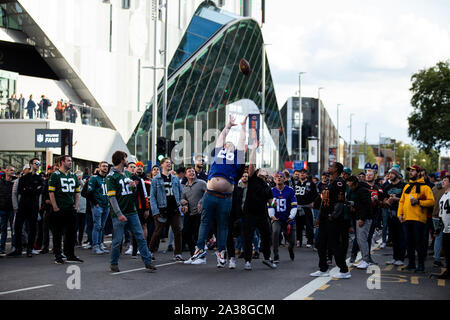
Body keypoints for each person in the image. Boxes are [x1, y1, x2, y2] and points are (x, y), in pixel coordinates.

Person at [186, 114, 247, 267]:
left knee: (223, 224)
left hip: (226, 196)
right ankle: (199, 248)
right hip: (210, 194)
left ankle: (221, 250)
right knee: (205, 222)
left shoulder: (237, 156)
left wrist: (243, 127)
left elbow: (241, 141)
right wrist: (228, 126)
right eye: (227, 144)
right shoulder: (218, 153)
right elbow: (221, 138)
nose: (229, 145)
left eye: (231, 145)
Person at [106, 151, 156, 272]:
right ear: (121, 159)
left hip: (132, 211)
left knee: (140, 236)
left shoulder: (127, 173)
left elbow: (130, 192)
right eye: (125, 158)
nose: (127, 160)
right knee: (117, 240)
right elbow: (112, 197)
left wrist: (133, 187)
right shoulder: (111, 176)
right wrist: (119, 214)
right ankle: (113, 263)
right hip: (120, 213)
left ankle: (147, 261)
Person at [240, 142, 277, 270]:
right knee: (248, 236)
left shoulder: (268, 187)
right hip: (249, 213)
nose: (262, 170)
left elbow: (270, 201)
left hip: (262, 214)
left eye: (265, 171)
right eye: (260, 169)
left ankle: (267, 258)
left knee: (267, 235)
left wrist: (273, 203)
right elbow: (251, 164)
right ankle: (247, 261)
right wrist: (254, 149)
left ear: (267, 176)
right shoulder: (252, 179)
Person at [310, 162, 351, 279]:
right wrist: (319, 217)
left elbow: (339, 202)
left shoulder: (339, 183)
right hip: (324, 218)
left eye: (331, 166)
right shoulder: (330, 183)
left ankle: (344, 270)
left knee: (334, 244)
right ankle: (323, 269)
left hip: (332, 219)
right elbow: (324, 202)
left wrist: (333, 216)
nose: (329, 167)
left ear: (337, 169)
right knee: (320, 243)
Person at [398, 164, 435, 273]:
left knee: (420, 243)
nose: (411, 173)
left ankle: (421, 265)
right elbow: (402, 201)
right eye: (410, 171)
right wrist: (399, 214)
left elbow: (431, 202)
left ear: (419, 173)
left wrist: (419, 201)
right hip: (406, 218)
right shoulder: (407, 186)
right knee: (409, 243)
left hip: (419, 219)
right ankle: (411, 264)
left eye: (413, 171)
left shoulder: (425, 187)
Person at [48, 155, 83, 264]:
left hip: (70, 208)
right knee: (58, 233)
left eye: (71, 161)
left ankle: (70, 254)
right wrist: (55, 206)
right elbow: (51, 192)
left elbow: (77, 192)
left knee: (71, 233)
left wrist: (76, 205)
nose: (70, 163)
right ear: (62, 162)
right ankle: (58, 255)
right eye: (68, 161)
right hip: (59, 209)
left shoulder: (73, 175)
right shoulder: (55, 175)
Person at [149, 157, 184, 261]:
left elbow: (181, 192)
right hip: (162, 209)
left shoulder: (175, 178)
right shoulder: (156, 179)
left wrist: (181, 204)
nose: (169, 164)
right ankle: (150, 251)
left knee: (177, 231)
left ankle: (178, 253)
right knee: (158, 231)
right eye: (167, 162)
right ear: (162, 165)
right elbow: (153, 197)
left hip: (174, 209)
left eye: (170, 163)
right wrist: (155, 211)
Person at [7, 158, 43, 258]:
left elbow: (39, 192)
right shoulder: (23, 178)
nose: (37, 165)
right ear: (31, 164)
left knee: (32, 228)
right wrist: (32, 190)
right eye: (36, 163)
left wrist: (29, 189)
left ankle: (29, 249)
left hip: (34, 207)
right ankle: (18, 248)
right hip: (22, 206)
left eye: (39, 164)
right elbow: (21, 191)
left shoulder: (39, 178)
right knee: (18, 228)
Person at [346, 175, 373, 269]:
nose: (350, 187)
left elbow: (366, 206)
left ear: (356, 184)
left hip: (364, 218)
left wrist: (362, 218)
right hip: (359, 216)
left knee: (362, 240)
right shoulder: (357, 190)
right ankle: (364, 259)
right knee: (360, 240)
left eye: (351, 185)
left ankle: (366, 260)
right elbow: (359, 204)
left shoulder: (363, 191)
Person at [270, 171, 297, 263]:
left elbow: (294, 205)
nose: (279, 178)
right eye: (277, 177)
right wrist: (272, 215)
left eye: (281, 176)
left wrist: (291, 215)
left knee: (292, 241)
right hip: (277, 218)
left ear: (285, 179)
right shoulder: (272, 191)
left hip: (289, 218)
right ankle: (276, 255)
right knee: (275, 231)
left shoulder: (290, 190)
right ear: (274, 179)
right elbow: (270, 205)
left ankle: (290, 249)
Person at [383, 166, 407, 266]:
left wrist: (396, 199)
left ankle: (400, 258)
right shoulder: (386, 186)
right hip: (390, 214)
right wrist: (386, 201)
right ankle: (395, 257)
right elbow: (383, 198)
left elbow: (406, 199)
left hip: (401, 214)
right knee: (393, 237)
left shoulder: (404, 185)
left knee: (401, 236)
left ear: (397, 174)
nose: (390, 175)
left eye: (392, 173)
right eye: (389, 174)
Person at [181, 166, 207, 257]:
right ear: (185, 174)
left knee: (198, 235)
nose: (192, 173)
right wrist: (183, 203)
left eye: (193, 171)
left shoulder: (202, 183)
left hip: (200, 213)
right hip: (190, 214)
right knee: (186, 233)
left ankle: (201, 255)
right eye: (189, 171)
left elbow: (208, 193)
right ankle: (193, 254)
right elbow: (182, 199)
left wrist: (201, 201)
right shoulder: (185, 187)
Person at [86, 161, 110, 254]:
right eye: (103, 166)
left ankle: (100, 244)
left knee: (102, 226)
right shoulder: (94, 178)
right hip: (98, 206)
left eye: (106, 166)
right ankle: (95, 246)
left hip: (106, 205)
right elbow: (88, 193)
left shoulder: (108, 178)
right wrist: (95, 203)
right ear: (99, 167)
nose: (105, 168)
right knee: (97, 226)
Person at [292, 168, 318, 248]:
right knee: (298, 225)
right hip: (298, 207)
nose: (302, 174)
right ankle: (298, 240)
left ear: (306, 174)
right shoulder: (296, 183)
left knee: (308, 224)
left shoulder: (311, 183)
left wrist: (313, 202)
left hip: (306, 207)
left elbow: (316, 195)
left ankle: (309, 241)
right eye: (300, 173)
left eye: (304, 173)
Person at [436, 175, 450, 279]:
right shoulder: (443, 195)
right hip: (446, 228)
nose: (443, 182)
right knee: (446, 251)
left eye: (445, 180)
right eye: (443, 180)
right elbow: (441, 213)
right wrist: (439, 226)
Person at [0, 166, 16, 255]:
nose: (12, 172)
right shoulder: (1, 182)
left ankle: (14, 246)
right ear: (6, 171)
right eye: (10, 170)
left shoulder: (15, 182)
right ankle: (2, 247)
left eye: (13, 171)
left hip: (12, 209)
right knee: (3, 229)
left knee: (13, 229)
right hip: (2, 209)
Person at [431, 176, 446, 267]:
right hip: (443, 216)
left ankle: (437, 257)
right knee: (443, 237)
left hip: (434, 215)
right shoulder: (446, 189)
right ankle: (438, 257)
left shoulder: (434, 188)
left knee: (438, 237)